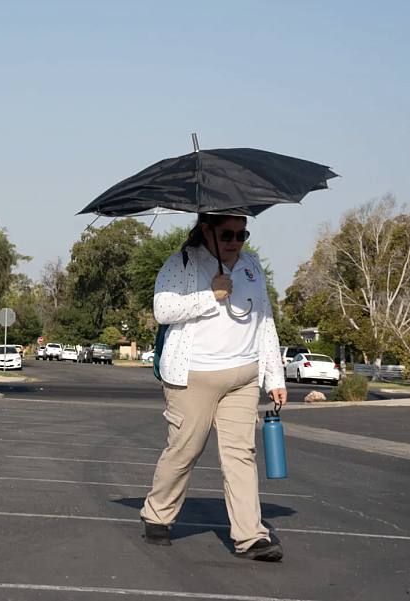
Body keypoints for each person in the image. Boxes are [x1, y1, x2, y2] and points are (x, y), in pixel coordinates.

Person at [140, 213, 288, 562]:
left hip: (244, 377)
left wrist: (274, 377)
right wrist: (211, 295)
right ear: (206, 230)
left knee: (241, 456)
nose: (236, 241)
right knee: (185, 450)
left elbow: (264, 321)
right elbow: (163, 309)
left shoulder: (251, 265)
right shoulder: (183, 263)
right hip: (194, 377)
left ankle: (251, 536)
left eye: (242, 234)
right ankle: (157, 514)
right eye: (227, 234)